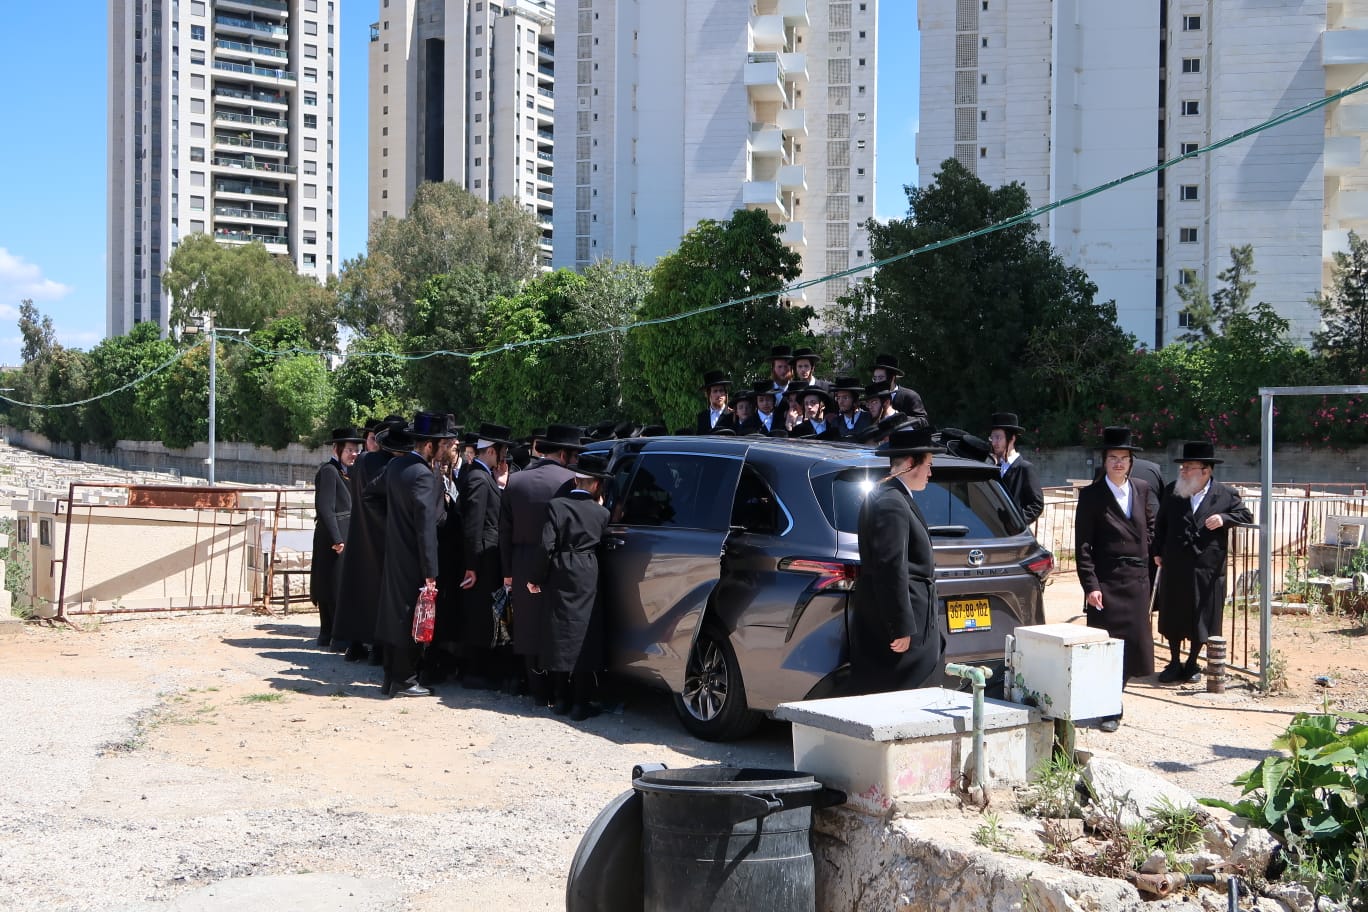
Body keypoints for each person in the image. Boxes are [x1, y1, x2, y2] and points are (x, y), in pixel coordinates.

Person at [848, 427, 947, 695]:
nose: (930, 472)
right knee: (901, 693)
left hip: (915, 619)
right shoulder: (890, 501)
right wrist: (900, 626)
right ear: (911, 463)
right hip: (902, 628)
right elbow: (890, 568)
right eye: (928, 464)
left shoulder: (895, 496)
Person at [1074, 426, 1155, 732]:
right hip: (1106, 582)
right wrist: (1091, 586)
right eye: (1113, 458)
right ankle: (1110, 706)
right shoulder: (1092, 495)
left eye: (1123, 458)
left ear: (1131, 462)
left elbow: (1150, 526)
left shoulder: (1142, 488)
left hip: (1136, 580)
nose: (1118, 463)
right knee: (1106, 646)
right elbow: (1083, 545)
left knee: (1133, 645)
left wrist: (1151, 553)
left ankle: (1113, 696)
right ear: (1104, 461)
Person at [369, 412, 455, 697]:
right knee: (412, 614)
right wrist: (431, 571)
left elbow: (370, 495)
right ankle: (405, 679)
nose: (445, 450)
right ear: (429, 445)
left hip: (396, 551)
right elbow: (426, 528)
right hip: (415, 556)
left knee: (396, 613)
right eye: (443, 445)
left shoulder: (396, 465)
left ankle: (391, 676)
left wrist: (391, 527)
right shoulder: (423, 474)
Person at [1153, 440, 1252, 684]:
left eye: (1189, 468)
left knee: (1201, 615)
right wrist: (1157, 550)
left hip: (1207, 567)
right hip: (1175, 564)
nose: (1183, 472)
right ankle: (1174, 661)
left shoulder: (1225, 494)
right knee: (1173, 613)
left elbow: (1245, 515)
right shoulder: (1173, 490)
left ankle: (1193, 662)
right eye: (1183, 467)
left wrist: (1224, 518)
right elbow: (1160, 524)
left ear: (1206, 471)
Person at [527, 451, 612, 722]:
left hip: (561, 570)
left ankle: (560, 698)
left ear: (576, 480)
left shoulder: (557, 506)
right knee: (585, 636)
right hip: (588, 572)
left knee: (560, 634)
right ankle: (580, 704)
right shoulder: (602, 513)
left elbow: (545, 546)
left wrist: (536, 578)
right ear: (597, 484)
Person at [499, 423, 582, 699]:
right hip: (560, 558)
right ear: (564, 453)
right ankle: (560, 690)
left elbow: (505, 531)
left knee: (528, 626)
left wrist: (508, 571)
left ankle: (537, 690)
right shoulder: (571, 481)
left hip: (522, 559)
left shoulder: (516, 481)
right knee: (558, 625)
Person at [332, 414, 407, 664]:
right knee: (378, 592)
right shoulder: (390, 465)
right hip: (381, 533)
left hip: (359, 529)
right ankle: (378, 648)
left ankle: (354, 644)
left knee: (357, 590)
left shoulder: (362, 461)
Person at [458, 423, 516, 688]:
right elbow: (473, 525)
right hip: (481, 559)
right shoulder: (479, 479)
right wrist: (472, 565)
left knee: (486, 614)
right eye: (502, 452)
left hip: (485, 556)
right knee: (479, 615)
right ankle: (474, 671)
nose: (504, 458)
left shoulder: (483, 477)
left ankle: (481, 669)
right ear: (492, 451)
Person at [311, 427, 364, 648]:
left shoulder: (348, 471)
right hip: (333, 539)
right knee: (331, 587)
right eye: (349, 450)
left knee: (338, 586)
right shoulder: (329, 471)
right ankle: (333, 635)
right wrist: (337, 538)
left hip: (344, 535)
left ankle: (332, 634)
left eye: (356, 450)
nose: (353, 454)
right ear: (337, 449)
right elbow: (325, 507)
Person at [989, 412, 1045, 524]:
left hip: (1013, 535)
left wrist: (1016, 522)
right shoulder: (994, 468)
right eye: (992, 437)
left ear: (1012, 439)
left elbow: (1037, 504)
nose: (994, 442)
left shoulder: (1025, 468)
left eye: (998, 437)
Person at [869, 353, 930, 428]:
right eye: (875, 378)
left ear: (892, 378)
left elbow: (924, 421)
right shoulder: (872, 399)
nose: (877, 382)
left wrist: (898, 418)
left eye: (881, 378)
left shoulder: (910, 396)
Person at [694, 370, 735, 435]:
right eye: (715, 391)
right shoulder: (702, 416)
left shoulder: (732, 414)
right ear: (707, 394)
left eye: (721, 391)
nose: (719, 394)